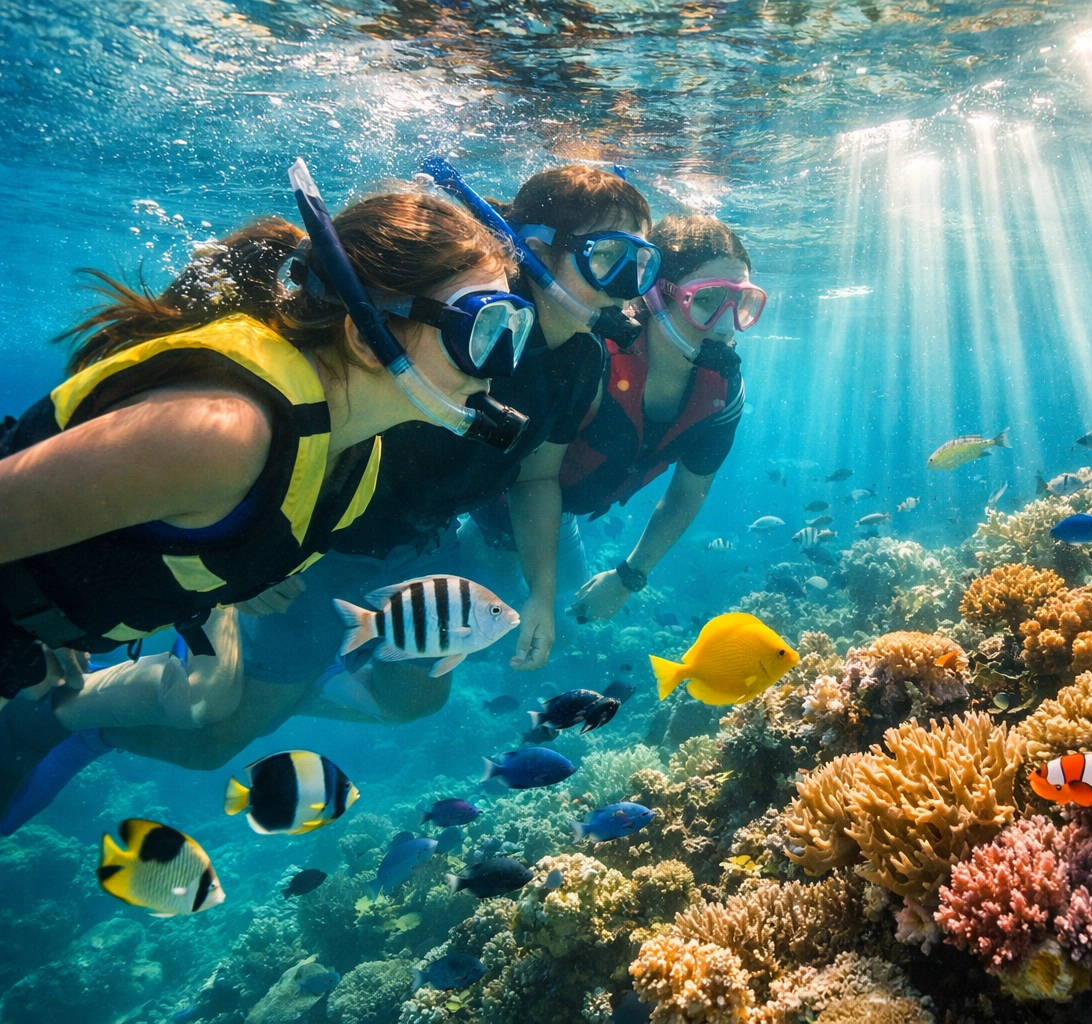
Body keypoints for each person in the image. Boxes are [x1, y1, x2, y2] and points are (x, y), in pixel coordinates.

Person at [0, 164, 523, 822]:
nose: (504, 362)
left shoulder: (353, 458)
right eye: (482, 329)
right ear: (369, 337)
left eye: (515, 330)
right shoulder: (223, 433)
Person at [101, 162, 656, 769]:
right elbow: (313, 419)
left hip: (421, 547)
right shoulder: (460, 326)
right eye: (609, 257)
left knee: (416, 699)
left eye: (642, 263)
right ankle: (104, 719)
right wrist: (253, 553)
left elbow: (537, 476)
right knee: (214, 744)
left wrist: (542, 595)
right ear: (538, 248)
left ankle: (287, 684)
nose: (628, 285)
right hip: (316, 546)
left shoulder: (581, 357)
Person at [480, 215, 765, 622]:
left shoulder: (725, 393)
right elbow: (533, 480)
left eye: (743, 303)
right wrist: (541, 591)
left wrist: (629, 576)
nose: (725, 325)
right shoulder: (592, 358)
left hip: (559, 518)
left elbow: (688, 493)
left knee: (567, 625)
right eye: (707, 300)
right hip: (494, 509)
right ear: (655, 295)